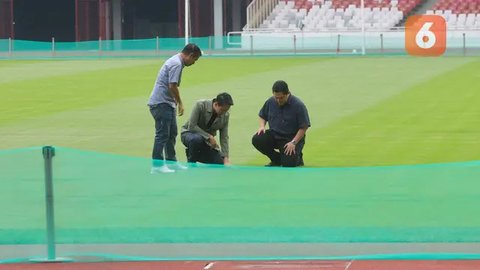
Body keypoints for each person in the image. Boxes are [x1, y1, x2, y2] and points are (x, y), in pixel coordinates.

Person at [148, 43, 202, 173]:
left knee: (171, 133)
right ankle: (157, 166)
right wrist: (180, 103)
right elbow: (172, 85)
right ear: (190, 55)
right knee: (162, 135)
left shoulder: (176, 61)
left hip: (167, 103)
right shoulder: (177, 64)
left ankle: (171, 162)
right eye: (195, 59)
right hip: (161, 103)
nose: (194, 63)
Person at [252, 80, 310, 167]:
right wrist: (262, 126)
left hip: (290, 138)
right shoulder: (270, 102)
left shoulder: (298, 105)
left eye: (281, 98)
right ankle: (276, 160)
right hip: (275, 135)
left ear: (288, 94)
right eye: (276, 97)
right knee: (257, 139)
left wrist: (293, 142)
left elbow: (304, 126)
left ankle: (298, 157)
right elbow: (262, 116)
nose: (278, 100)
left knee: (289, 164)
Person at [181, 92, 234, 165]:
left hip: (206, 142)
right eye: (222, 110)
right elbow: (192, 126)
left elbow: (224, 137)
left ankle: (194, 153)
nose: (224, 113)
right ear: (216, 104)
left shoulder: (226, 115)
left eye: (226, 110)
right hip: (189, 134)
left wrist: (226, 157)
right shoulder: (200, 105)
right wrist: (209, 137)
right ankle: (191, 164)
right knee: (196, 139)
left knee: (219, 162)